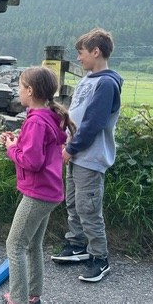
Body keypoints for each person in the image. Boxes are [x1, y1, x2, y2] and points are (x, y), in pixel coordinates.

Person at [0, 67, 76, 304]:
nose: (18, 90)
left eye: (20, 86)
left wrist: (12, 150)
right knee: (33, 245)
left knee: (14, 245)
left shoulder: (36, 120)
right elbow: (39, 150)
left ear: (30, 91)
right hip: (50, 191)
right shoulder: (46, 116)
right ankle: (33, 297)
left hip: (37, 194)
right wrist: (16, 141)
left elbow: (32, 161)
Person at [51, 28, 123, 283]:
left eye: (81, 53)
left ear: (96, 51)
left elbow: (93, 123)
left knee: (88, 208)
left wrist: (71, 148)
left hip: (89, 157)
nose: (79, 58)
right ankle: (77, 245)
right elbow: (76, 114)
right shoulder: (89, 79)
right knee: (73, 203)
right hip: (77, 153)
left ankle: (99, 258)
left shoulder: (106, 83)